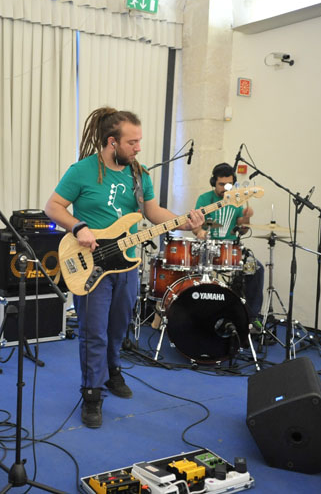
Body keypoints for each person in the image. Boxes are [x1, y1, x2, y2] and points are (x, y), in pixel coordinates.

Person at [44, 107, 204, 428]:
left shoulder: (139, 175)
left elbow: (152, 211)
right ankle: (92, 394)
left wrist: (183, 222)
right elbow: (53, 207)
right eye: (132, 142)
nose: (138, 148)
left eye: (139, 141)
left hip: (126, 264)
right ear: (112, 142)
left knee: (118, 328)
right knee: (93, 332)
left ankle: (112, 370)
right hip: (91, 265)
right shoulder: (82, 171)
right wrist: (78, 227)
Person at [192, 162, 265, 322]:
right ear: (213, 182)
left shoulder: (236, 200)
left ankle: (251, 317)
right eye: (221, 184)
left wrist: (247, 218)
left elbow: (242, 230)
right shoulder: (204, 199)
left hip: (232, 252)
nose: (225, 188)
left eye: (229, 184)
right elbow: (195, 226)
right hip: (208, 250)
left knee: (256, 269)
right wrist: (200, 232)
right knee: (195, 271)